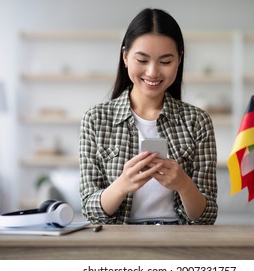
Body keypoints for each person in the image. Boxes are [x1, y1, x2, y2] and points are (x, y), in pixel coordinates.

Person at [79, 8, 218, 225]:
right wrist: (123, 184)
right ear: (125, 57)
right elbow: (90, 209)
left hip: (179, 243)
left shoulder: (197, 122)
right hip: (119, 243)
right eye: (142, 60)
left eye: (165, 62)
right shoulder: (96, 119)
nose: (153, 72)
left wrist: (183, 184)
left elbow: (206, 216)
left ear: (179, 60)